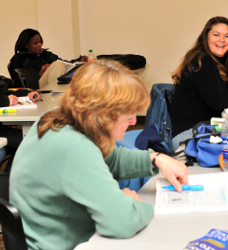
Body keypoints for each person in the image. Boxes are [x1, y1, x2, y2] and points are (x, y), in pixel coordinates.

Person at [9, 59, 188, 250]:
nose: (134, 121)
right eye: (128, 116)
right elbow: (123, 222)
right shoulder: (75, 149)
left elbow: (112, 158)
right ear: (103, 114)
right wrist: (137, 204)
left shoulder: (58, 118)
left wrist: (156, 159)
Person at [170, 16, 228, 151]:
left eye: (227, 36)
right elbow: (219, 102)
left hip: (206, 128)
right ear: (206, 38)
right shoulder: (202, 61)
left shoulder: (219, 61)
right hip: (189, 136)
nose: (222, 40)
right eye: (216, 35)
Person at [8, 28, 88, 89]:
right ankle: (56, 98)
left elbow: (64, 63)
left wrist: (79, 60)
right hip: (35, 89)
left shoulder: (47, 54)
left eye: (40, 42)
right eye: (36, 43)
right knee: (57, 65)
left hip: (50, 86)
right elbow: (18, 84)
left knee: (60, 65)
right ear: (26, 45)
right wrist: (38, 75)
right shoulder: (18, 59)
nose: (39, 44)